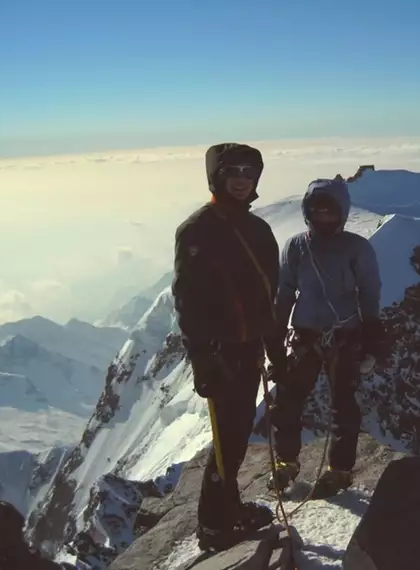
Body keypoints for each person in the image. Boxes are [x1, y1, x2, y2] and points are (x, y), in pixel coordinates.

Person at [171, 142, 287, 551]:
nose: (241, 180)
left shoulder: (258, 230)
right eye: (233, 171)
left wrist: (275, 351)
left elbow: (267, 297)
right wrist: (202, 359)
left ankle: (227, 509)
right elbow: (188, 301)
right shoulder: (197, 232)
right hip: (221, 353)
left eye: (248, 172)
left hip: (248, 348)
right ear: (217, 177)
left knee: (234, 438)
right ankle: (216, 526)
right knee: (228, 438)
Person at [266, 176, 386, 497]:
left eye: (328, 212)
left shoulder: (355, 249)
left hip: (343, 337)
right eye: (317, 211)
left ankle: (338, 470)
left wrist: (371, 337)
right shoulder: (296, 248)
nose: (323, 217)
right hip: (308, 337)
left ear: (342, 212)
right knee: (289, 401)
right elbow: (284, 293)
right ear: (307, 212)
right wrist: (274, 338)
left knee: (341, 407)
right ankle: (287, 463)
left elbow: (369, 295)